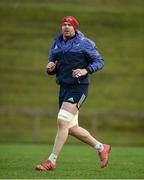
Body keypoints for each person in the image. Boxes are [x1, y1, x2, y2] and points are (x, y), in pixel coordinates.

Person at [35, 16, 111, 171]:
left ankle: (51, 160)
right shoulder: (56, 43)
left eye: (69, 25)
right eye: (64, 24)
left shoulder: (84, 42)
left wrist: (85, 70)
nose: (66, 27)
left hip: (79, 87)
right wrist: (50, 68)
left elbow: (99, 61)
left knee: (62, 121)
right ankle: (101, 147)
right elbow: (52, 65)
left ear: (75, 28)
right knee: (71, 128)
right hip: (64, 87)